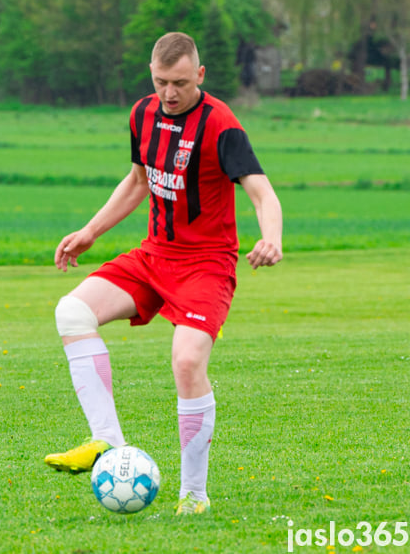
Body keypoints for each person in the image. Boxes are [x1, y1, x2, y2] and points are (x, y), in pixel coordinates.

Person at [44, 32, 283, 515]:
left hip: (206, 264)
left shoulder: (222, 125)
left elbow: (261, 191)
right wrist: (92, 230)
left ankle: (194, 497)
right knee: (72, 312)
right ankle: (106, 441)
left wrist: (271, 236)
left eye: (179, 83)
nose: (169, 93)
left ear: (200, 74)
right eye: (160, 82)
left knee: (188, 361)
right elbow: (138, 181)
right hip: (154, 256)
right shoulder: (142, 114)